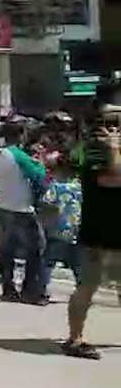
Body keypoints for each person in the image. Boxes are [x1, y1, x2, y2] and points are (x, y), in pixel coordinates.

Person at [62, 80, 121, 360]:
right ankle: (74, 339)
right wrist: (114, 150)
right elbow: (110, 180)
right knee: (87, 285)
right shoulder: (101, 139)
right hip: (100, 228)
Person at [0, 123, 47, 304]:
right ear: (21, 135)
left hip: (3, 205)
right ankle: (31, 290)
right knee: (36, 248)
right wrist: (41, 164)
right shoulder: (18, 155)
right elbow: (39, 175)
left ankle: (8, 288)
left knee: (7, 250)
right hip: (22, 208)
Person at [40, 152, 82, 287]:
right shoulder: (79, 187)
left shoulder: (56, 187)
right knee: (77, 264)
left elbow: (46, 203)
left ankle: (41, 290)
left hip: (57, 230)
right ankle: (83, 291)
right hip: (75, 229)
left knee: (48, 262)